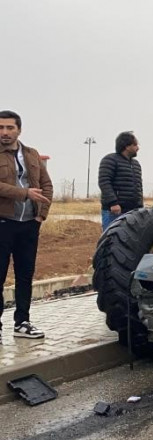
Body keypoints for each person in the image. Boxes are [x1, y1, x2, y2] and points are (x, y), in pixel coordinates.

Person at [0, 110, 53, 339]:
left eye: (9, 128)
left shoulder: (32, 154)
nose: (4, 132)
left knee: (25, 275)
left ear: (19, 130)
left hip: (29, 225)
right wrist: (24, 194)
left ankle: (22, 322)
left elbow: (46, 185)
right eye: (1, 128)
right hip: (3, 223)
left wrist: (41, 216)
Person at [98, 131, 143, 230]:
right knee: (111, 241)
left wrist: (140, 206)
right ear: (127, 146)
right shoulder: (110, 160)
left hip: (133, 211)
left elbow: (139, 186)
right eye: (135, 145)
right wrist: (113, 203)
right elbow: (104, 182)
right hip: (114, 211)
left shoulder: (136, 164)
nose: (138, 148)